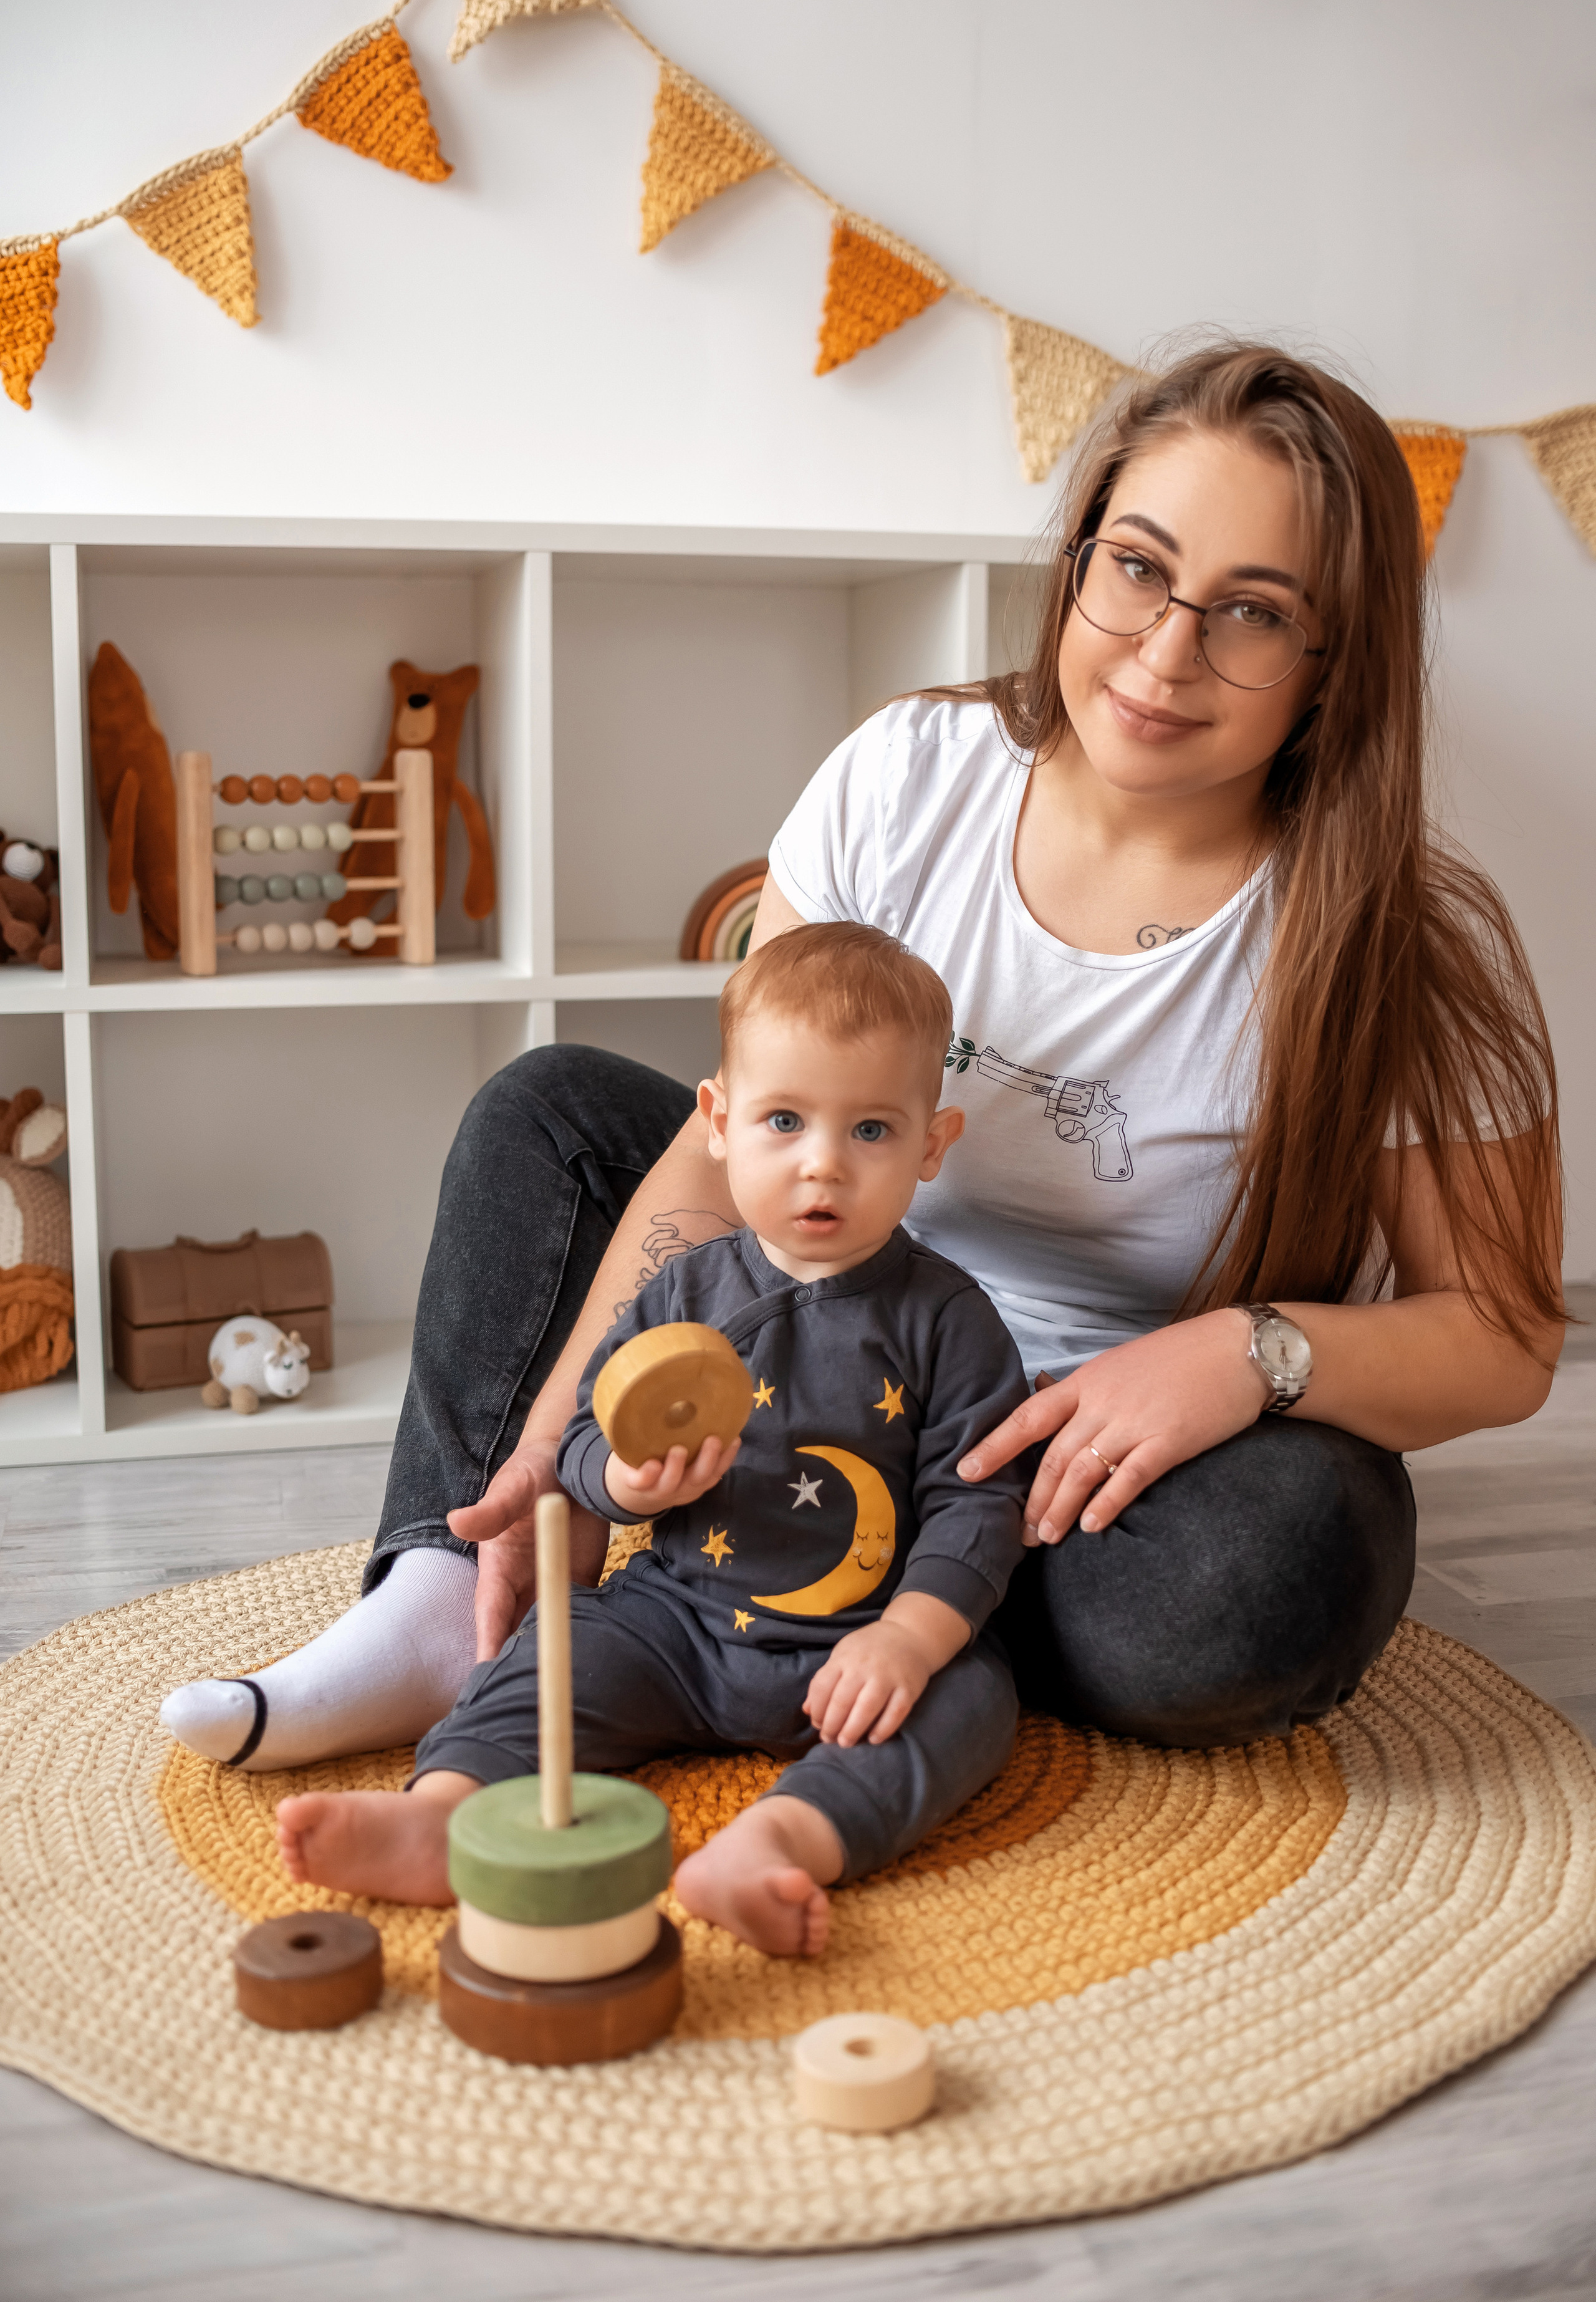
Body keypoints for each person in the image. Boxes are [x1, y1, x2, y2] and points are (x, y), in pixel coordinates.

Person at [161, 337, 1564, 1776]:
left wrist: (1246, 1354)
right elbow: (732, 1138)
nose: (1163, 652)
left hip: (1065, 1472)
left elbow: (1505, 1339)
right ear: (1079, 553)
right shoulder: (909, 776)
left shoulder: (1399, 945)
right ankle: (446, 1606)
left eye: (1252, 613)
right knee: (551, 1114)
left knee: (1286, 1558)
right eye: (1137, 568)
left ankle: (878, 1588)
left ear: (1333, 667)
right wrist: (570, 1433)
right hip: (801, 1341)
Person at [275, 925, 1030, 1956]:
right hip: (674, 1621)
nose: (822, 1163)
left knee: (972, 1698)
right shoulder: (683, 1290)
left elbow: (978, 1501)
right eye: (784, 1120)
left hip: (853, 1639)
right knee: (559, 1647)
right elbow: (586, 1437)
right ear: (718, 1121)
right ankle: (448, 1810)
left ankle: (781, 1840)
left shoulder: (951, 1319)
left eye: (871, 1130)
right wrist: (626, 1483)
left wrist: (909, 1638)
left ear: (932, 1145)